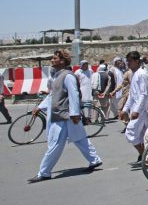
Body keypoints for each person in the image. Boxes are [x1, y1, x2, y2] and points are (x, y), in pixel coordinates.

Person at [28, 49, 102, 183]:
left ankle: (44, 172)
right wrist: (39, 107)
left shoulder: (68, 76)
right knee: (80, 139)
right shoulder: (56, 76)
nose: (52, 60)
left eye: (55, 58)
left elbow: (74, 94)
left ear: (62, 61)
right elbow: (52, 96)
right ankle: (94, 160)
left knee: (55, 144)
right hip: (63, 115)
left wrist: (74, 114)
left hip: (65, 116)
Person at [122, 51, 148, 162]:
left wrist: (136, 111)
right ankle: (147, 156)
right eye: (127, 61)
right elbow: (132, 94)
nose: (128, 63)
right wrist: (125, 109)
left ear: (137, 61)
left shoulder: (142, 74)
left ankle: (145, 156)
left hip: (142, 110)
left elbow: (143, 94)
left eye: (130, 61)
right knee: (144, 135)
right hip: (137, 109)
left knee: (130, 132)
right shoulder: (134, 74)